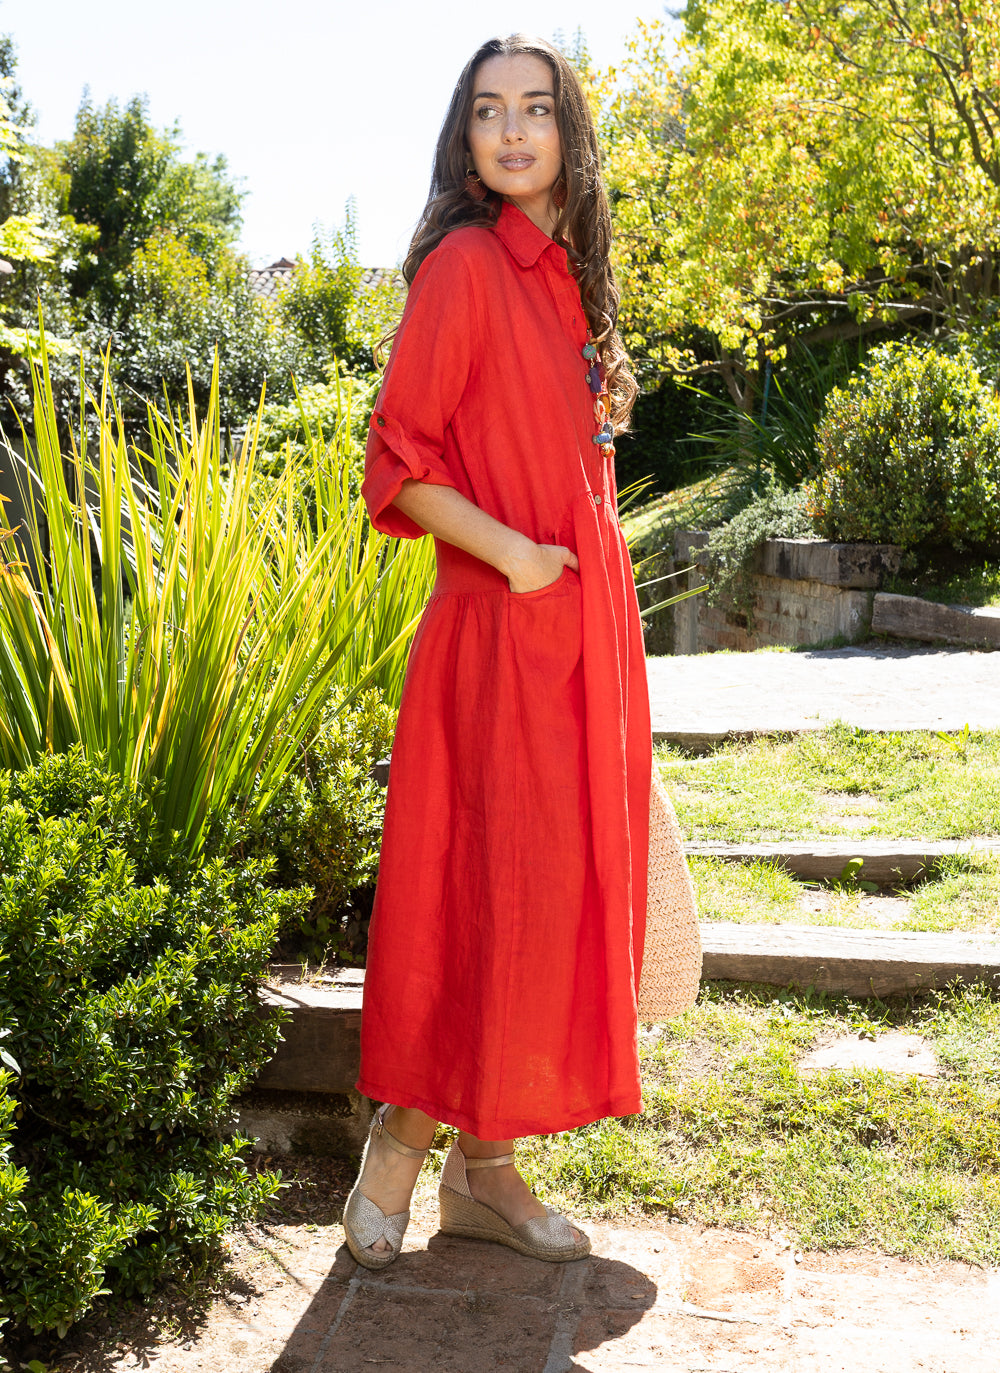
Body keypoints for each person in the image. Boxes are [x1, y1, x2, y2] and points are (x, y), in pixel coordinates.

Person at [343, 32, 651, 1271]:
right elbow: (397, 463)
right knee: (476, 896)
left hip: (578, 643)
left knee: (540, 904)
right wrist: (517, 555)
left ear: (569, 134)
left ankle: (487, 1171)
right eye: (488, 110)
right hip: (494, 636)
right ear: (464, 137)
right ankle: (398, 1147)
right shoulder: (465, 266)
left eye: (535, 108)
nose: (513, 130)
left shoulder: (571, 281)